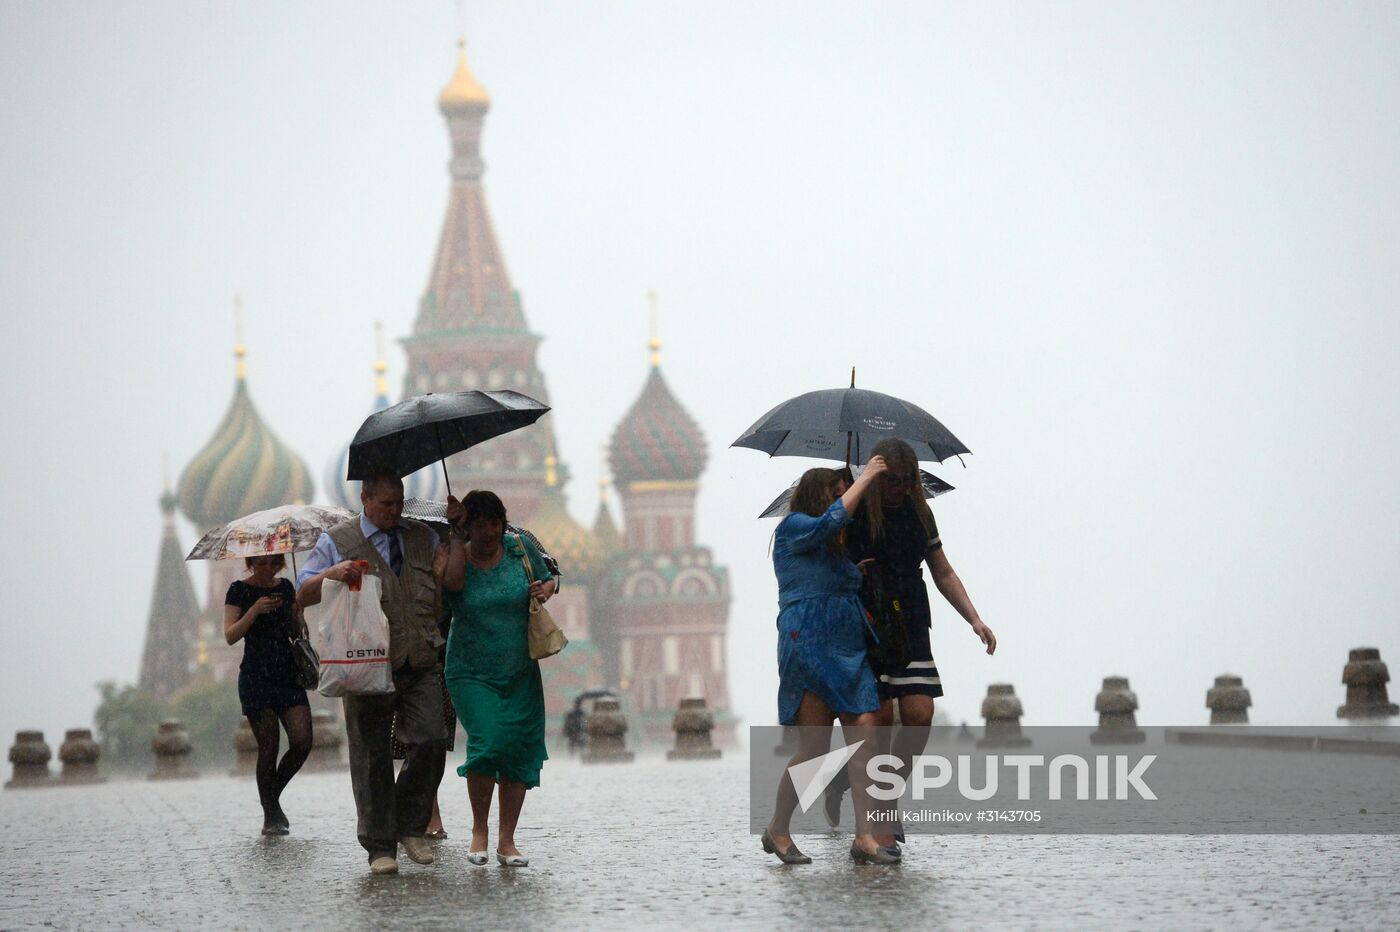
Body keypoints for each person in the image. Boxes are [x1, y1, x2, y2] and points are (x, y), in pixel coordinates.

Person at [826, 437, 997, 844]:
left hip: (910, 620)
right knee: (880, 720)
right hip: (867, 619)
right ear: (877, 475)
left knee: (919, 716)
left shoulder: (921, 513)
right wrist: (853, 567)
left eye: (908, 480)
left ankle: (885, 793)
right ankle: (875, 822)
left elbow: (942, 570)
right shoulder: (855, 509)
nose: (901, 488)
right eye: (893, 480)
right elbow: (827, 561)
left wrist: (974, 619)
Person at [296, 474, 446, 876]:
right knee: (370, 756)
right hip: (364, 662)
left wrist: (459, 528)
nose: (395, 511)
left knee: (432, 737)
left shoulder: (422, 536)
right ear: (364, 499)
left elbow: (448, 581)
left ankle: (410, 824)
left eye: (399, 502)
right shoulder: (337, 541)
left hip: (420, 658)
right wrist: (333, 574)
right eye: (385, 504)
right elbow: (302, 590)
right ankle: (380, 846)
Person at [764, 457, 900, 865]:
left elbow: (836, 554)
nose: (844, 501)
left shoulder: (832, 549)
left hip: (848, 648)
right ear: (819, 496)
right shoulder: (793, 529)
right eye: (837, 493)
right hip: (808, 644)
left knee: (865, 738)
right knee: (815, 749)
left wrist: (851, 570)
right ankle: (778, 827)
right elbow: (830, 521)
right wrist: (870, 474)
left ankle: (864, 836)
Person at [441, 489, 556, 868]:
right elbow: (453, 585)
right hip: (470, 670)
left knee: (517, 749)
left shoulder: (520, 548)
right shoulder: (455, 551)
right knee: (489, 741)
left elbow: (551, 579)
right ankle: (480, 831)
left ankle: (507, 840)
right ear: (467, 524)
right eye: (480, 523)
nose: (489, 531)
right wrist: (456, 536)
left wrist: (547, 588)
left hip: (519, 669)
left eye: (495, 522)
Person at [224, 552, 312, 836]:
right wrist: (254, 610)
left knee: (302, 741)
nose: (267, 569)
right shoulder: (239, 590)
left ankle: (271, 798)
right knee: (269, 747)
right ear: (250, 563)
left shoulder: (285, 587)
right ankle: (271, 815)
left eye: (273, 563)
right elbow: (230, 635)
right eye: (260, 563)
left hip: (287, 674)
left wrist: (298, 614)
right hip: (256, 677)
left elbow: (296, 630)